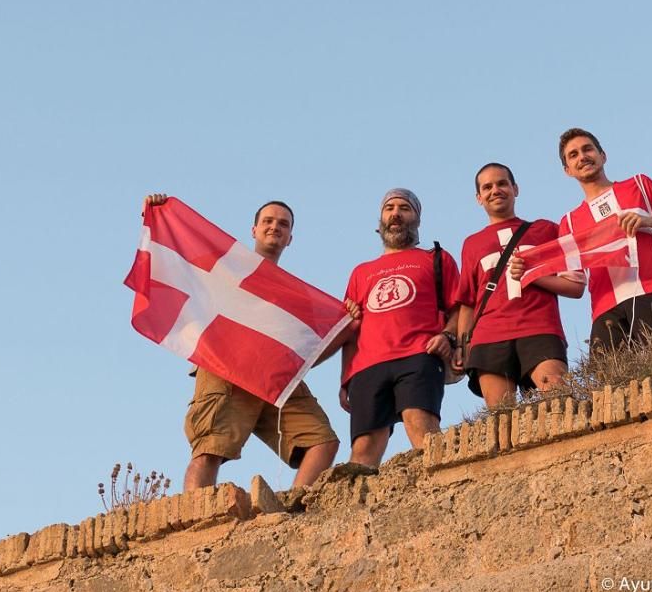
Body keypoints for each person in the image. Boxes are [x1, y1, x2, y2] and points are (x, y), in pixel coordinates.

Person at [142, 194, 342, 491]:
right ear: (254, 230)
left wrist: (346, 324)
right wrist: (157, 215)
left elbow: (311, 350)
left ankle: (296, 512)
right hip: (227, 369)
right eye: (268, 221)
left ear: (290, 238)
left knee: (322, 442)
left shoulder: (295, 296)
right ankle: (198, 520)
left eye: (283, 224)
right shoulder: (225, 267)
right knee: (210, 448)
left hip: (275, 378)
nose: (275, 227)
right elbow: (178, 259)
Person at [517, 128, 652, 354]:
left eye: (587, 149)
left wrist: (649, 221)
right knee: (610, 387)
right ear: (567, 170)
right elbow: (574, 284)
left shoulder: (639, 185)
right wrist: (531, 274)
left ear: (603, 155)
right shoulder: (569, 222)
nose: (582, 157)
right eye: (573, 155)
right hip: (605, 311)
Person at [341, 189, 460, 467]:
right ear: (381, 219)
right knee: (363, 448)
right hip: (367, 365)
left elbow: (459, 308)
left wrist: (449, 336)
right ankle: (358, 509)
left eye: (405, 208)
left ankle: (439, 487)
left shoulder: (436, 259)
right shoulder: (361, 272)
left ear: (417, 218)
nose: (396, 213)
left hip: (418, 355)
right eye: (389, 208)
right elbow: (349, 329)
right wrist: (345, 379)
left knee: (420, 424)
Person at [455, 163, 584, 407]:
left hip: (539, 328)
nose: (496, 190)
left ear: (515, 189)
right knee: (501, 420)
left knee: (560, 403)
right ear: (478, 198)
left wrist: (534, 275)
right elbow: (468, 302)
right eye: (488, 187)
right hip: (489, 336)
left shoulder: (545, 230)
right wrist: (462, 346)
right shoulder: (471, 244)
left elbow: (576, 288)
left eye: (502, 183)